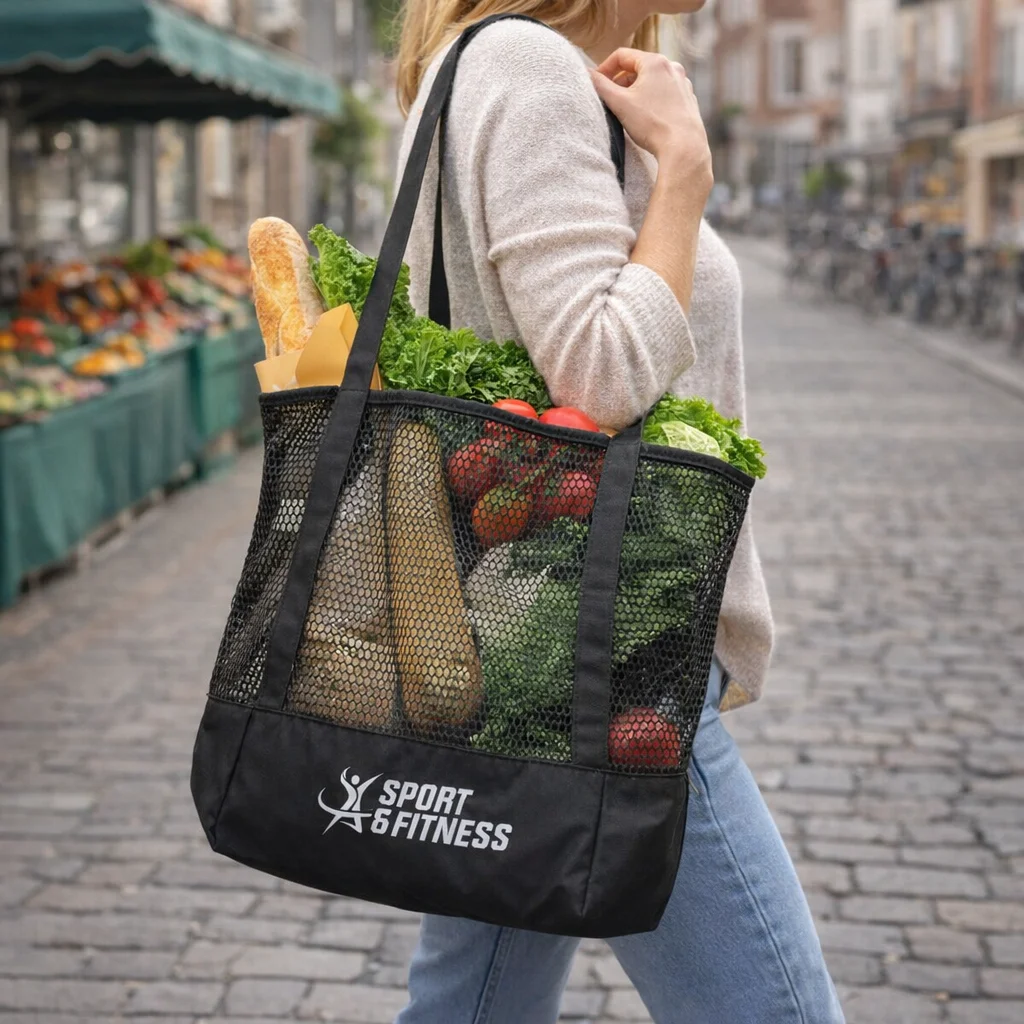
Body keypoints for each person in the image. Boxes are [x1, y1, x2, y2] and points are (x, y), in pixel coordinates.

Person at [391, 2, 844, 1021]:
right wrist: (683, 174)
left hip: (529, 638)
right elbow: (598, 373)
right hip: (608, 652)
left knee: (475, 1001)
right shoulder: (525, 65)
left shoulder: (508, 68)